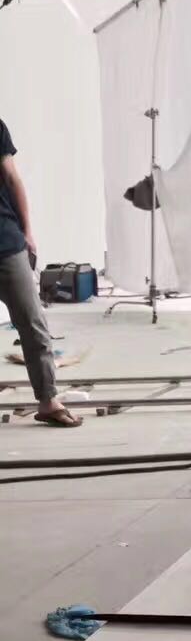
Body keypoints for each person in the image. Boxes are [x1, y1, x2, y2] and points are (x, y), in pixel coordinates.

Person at [0, 118, 80, 427]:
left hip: (5, 242)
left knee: (32, 322)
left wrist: (27, 232)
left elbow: (12, 179)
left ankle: (48, 401)